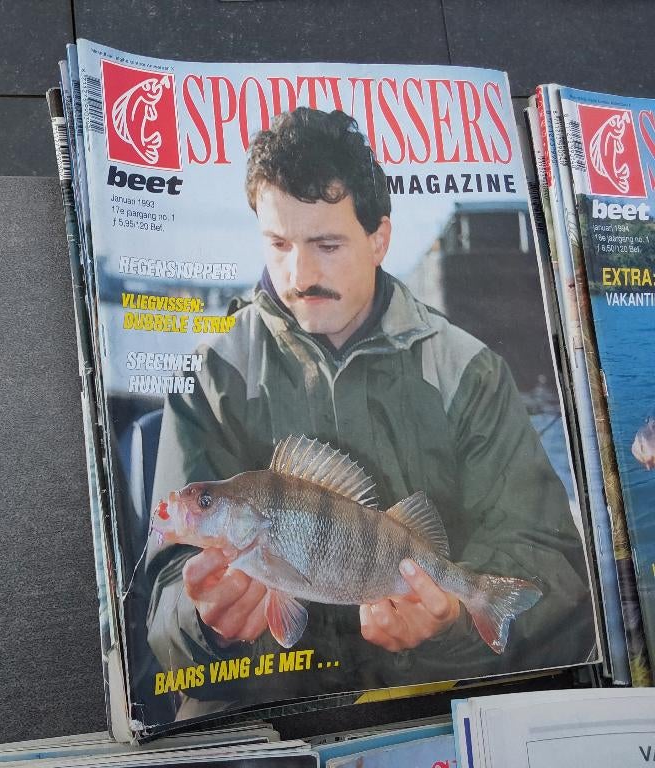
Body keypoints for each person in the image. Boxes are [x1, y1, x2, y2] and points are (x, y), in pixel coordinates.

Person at [143, 107, 594, 720]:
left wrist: (455, 620)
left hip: (429, 693)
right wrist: (204, 623)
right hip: (274, 717)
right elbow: (161, 603)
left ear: (380, 237)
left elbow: (550, 561)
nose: (299, 275)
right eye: (279, 244)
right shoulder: (209, 376)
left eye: (327, 245)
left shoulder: (470, 370)